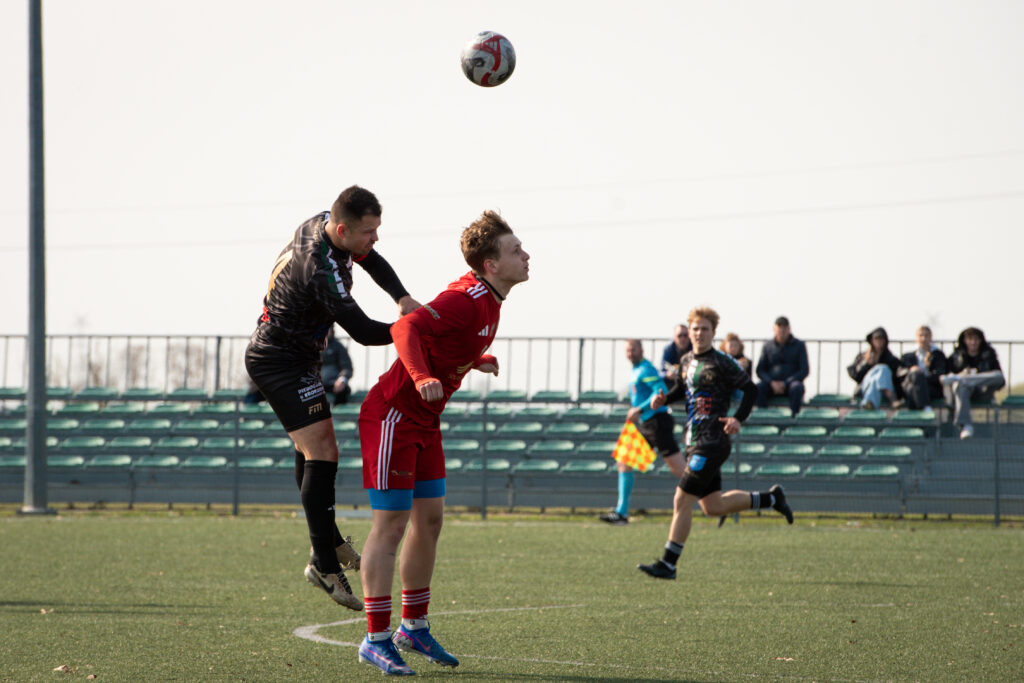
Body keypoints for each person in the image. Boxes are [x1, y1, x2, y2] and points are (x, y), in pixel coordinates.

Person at [356, 211, 529, 675]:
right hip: (393, 415)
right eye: (515, 250)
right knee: (390, 526)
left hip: (425, 422)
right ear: (491, 265)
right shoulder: (467, 299)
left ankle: (412, 627)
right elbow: (405, 328)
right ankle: (375, 638)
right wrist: (421, 376)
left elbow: (444, 339)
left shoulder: (489, 299)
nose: (525, 255)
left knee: (429, 521)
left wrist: (474, 359)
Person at [244, 185, 420, 612]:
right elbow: (362, 331)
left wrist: (400, 297)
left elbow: (370, 258)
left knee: (312, 451)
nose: (375, 238)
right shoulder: (319, 268)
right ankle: (323, 561)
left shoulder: (328, 224)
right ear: (343, 230)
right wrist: (412, 330)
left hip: (298, 357)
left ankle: (328, 542)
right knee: (323, 451)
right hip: (278, 361)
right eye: (369, 231)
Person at [637, 306, 793, 581]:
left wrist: (738, 419)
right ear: (689, 332)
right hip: (694, 440)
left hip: (713, 441)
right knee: (713, 506)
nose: (699, 333)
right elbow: (681, 390)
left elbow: (751, 389)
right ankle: (772, 498)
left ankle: (668, 564)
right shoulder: (686, 361)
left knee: (681, 498)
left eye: (704, 329)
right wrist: (663, 399)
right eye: (695, 329)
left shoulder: (722, 361)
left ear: (713, 332)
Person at [599, 339, 685, 526]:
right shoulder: (636, 370)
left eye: (633, 349)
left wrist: (639, 408)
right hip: (647, 423)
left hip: (658, 422)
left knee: (679, 469)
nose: (630, 353)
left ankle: (712, 497)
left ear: (641, 350)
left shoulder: (646, 369)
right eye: (628, 350)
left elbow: (661, 390)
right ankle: (621, 513)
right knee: (624, 460)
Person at [942, 326, 1005, 439]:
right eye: (970, 339)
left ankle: (965, 379)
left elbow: (1000, 380)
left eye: (976, 339)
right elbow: (946, 377)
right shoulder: (956, 356)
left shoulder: (989, 355)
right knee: (959, 384)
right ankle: (965, 425)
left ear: (981, 341)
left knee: (997, 375)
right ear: (964, 341)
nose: (973, 342)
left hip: (983, 391)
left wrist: (973, 378)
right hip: (963, 394)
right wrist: (962, 374)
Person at [754, 316, 809, 415]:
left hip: (791, 384)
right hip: (771, 384)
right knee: (758, 388)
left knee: (797, 388)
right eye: (779, 327)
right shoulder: (767, 346)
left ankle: (793, 418)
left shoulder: (799, 345)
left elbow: (804, 370)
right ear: (774, 329)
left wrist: (786, 383)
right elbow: (760, 370)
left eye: (785, 327)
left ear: (789, 329)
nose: (782, 330)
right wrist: (771, 382)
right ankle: (764, 417)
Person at [847, 327, 902, 410]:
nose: (879, 341)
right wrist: (867, 364)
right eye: (876, 338)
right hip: (865, 388)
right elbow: (856, 376)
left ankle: (869, 402)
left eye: (881, 339)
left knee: (881, 372)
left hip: (882, 391)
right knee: (881, 369)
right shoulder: (863, 357)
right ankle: (892, 399)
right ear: (872, 341)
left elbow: (896, 377)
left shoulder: (891, 359)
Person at [896, 325, 948, 413]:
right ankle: (925, 407)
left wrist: (922, 376)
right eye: (920, 336)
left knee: (913, 388)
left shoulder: (938, 355)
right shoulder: (908, 355)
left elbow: (940, 373)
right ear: (916, 337)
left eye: (926, 335)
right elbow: (900, 372)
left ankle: (919, 414)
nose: (923, 339)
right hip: (910, 383)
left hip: (930, 387)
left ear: (930, 337)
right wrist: (911, 370)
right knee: (915, 375)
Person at [321, 326, 354, 406]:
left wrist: (342, 379)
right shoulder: (310, 346)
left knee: (343, 390)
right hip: (315, 385)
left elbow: (347, 367)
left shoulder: (338, 347)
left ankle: (338, 413)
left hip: (333, 384)